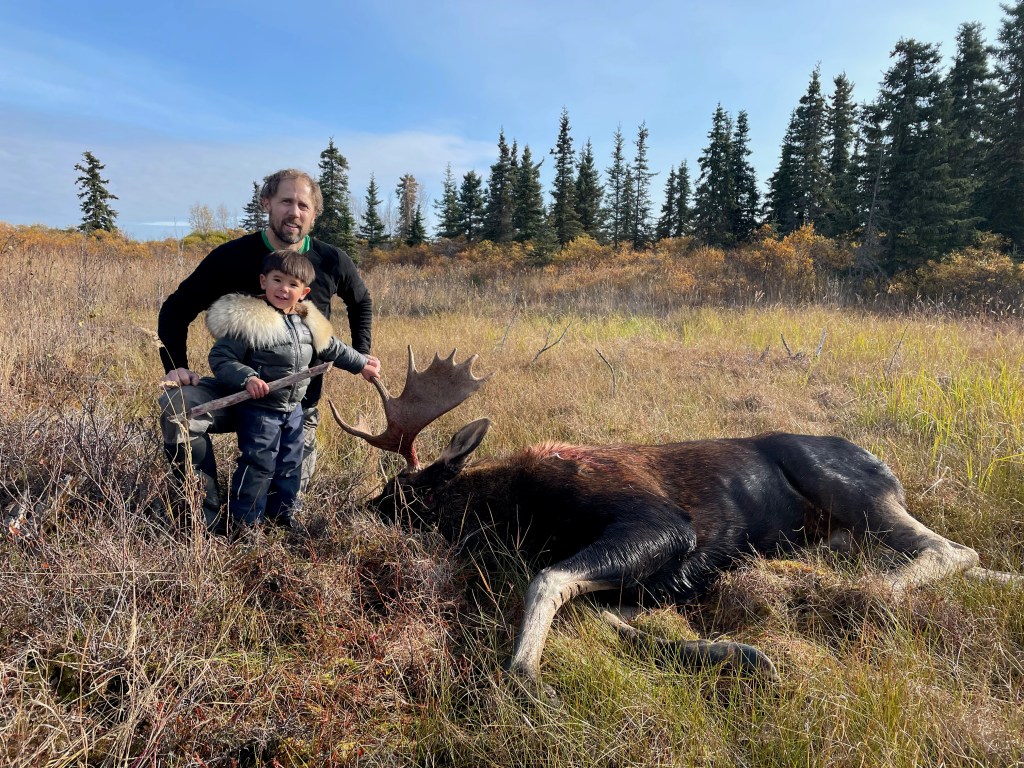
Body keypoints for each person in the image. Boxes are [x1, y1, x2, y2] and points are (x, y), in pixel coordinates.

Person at [158, 168, 377, 532]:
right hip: (237, 392)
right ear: (267, 204)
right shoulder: (231, 257)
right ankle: (205, 524)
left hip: (296, 408)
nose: (295, 212)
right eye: (286, 201)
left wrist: (363, 353)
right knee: (177, 412)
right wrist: (175, 366)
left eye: (303, 205)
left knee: (284, 506)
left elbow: (362, 302)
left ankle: (264, 529)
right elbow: (176, 309)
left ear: (314, 213)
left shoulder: (332, 261)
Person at [206, 251, 379, 532]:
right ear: (263, 281)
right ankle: (245, 524)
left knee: (290, 464)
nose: (284, 289)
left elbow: (333, 348)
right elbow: (221, 359)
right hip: (260, 410)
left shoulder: (308, 321)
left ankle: (281, 518)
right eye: (277, 280)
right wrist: (247, 377)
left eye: (293, 284)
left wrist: (362, 365)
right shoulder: (249, 320)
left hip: (294, 409)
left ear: (304, 292)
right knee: (259, 464)